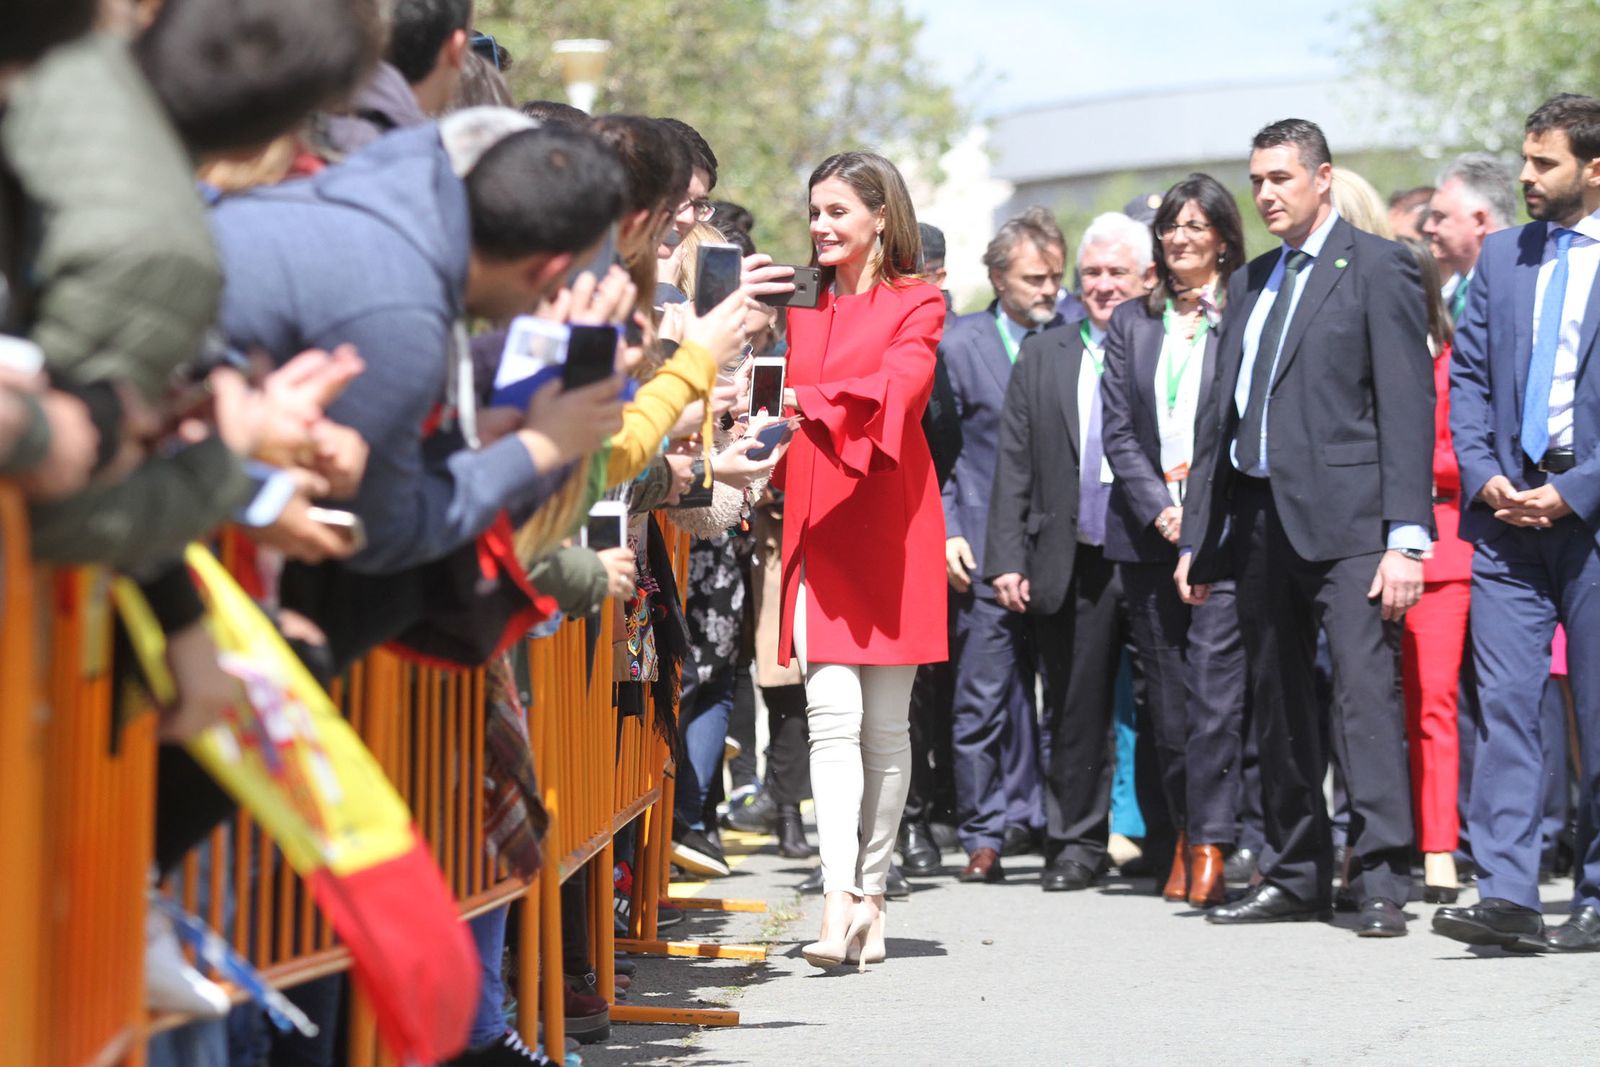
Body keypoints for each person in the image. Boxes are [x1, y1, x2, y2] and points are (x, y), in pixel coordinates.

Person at [1177, 118, 1433, 937]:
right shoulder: (1252, 279)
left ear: (1323, 178)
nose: (1265, 194)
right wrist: (1200, 535)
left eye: (1280, 178)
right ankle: (1295, 872)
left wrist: (1406, 537)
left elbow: (1407, 406)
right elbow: (1221, 416)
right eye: (1256, 180)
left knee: (1362, 699)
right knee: (1277, 701)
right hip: (1257, 521)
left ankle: (1382, 876)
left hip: (1353, 526)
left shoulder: (1380, 266)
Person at [774, 150, 946, 969]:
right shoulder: (799, 305)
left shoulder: (921, 300)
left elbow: (901, 389)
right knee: (831, 719)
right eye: (814, 211)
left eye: (837, 210)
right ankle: (837, 895)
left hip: (893, 521)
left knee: (884, 728)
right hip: (818, 523)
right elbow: (770, 403)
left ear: (882, 216)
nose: (820, 225)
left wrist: (804, 402)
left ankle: (872, 893)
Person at [1438, 93, 1600, 953]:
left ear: (1594, 169)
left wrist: (1578, 490)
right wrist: (1485, 473)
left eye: (1545, 163)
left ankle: (1595, 894)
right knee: (1505, 707)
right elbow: (1468, 380)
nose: (1527, 176)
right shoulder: (1504, 257)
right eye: (1526, 159)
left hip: (1590, 516)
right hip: (1506, 518)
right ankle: (1508, 894)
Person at [984, 212, 1156, 892]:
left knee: (1163, 702)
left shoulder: (1164, 339)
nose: (1103, 285)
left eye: (1118, 272)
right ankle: (1076, 844)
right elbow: (1014, 462)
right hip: (1072, 554)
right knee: (1074, 707)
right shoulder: (1045, 351)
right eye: (1092, 273)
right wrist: (1007, 557)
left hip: (1150, 551)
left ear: (1145, 278)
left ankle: (1167, 839)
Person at [1100, 174, 1249, 907]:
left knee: (1219, 694)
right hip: (1150, 533)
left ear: (1223, 235)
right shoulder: (1133, 320)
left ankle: (1222, 839)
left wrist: (1202, 519)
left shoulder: (1244, 310)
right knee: (1167, 702)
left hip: (1227, 530)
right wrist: (1164, 511)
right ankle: (1185, 835)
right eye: (1170, 227)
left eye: (1195, 225)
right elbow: (1119, 432)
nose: (1180, 238)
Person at [940, 207, 1064, 883]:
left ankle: (1052, 823)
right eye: (1033, 278)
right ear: (998, 278)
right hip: (983, 547)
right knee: (981, 700)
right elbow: (940, 453)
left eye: (1054, 277)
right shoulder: (961, 345)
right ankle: (983, 835)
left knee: (1060, 697)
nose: (1048, 290)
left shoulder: (1075, 335)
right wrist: (948, 528)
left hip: (1061, 549)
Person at [1393, 237, 1472, 904]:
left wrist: (1402, 461)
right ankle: (1375, 840)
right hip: (1361, 552)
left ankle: (1439, 843)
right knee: (1364, 705)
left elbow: (1462, 457)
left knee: (1433, 706)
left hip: (1441, 554)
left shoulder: (1452, 360)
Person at [1423, 152, 1519, 322]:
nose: (1428, 228)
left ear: (1479, 221)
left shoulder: (1515, 290)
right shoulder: (1457, 291)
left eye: (1439, 217)